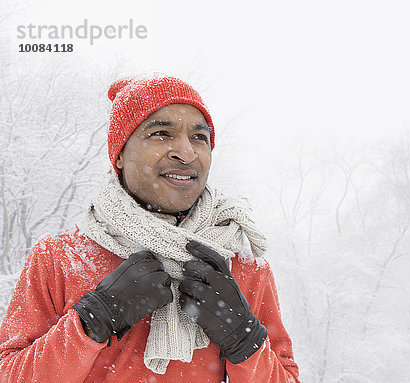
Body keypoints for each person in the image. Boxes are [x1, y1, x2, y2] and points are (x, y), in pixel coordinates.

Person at [0, 74, 300, 382]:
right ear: (119, 154)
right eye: (161, 133)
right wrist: (92, 319)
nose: (186, 152)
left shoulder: (241, 262)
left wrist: (243, 340)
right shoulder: (60, 258)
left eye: (199, 137)